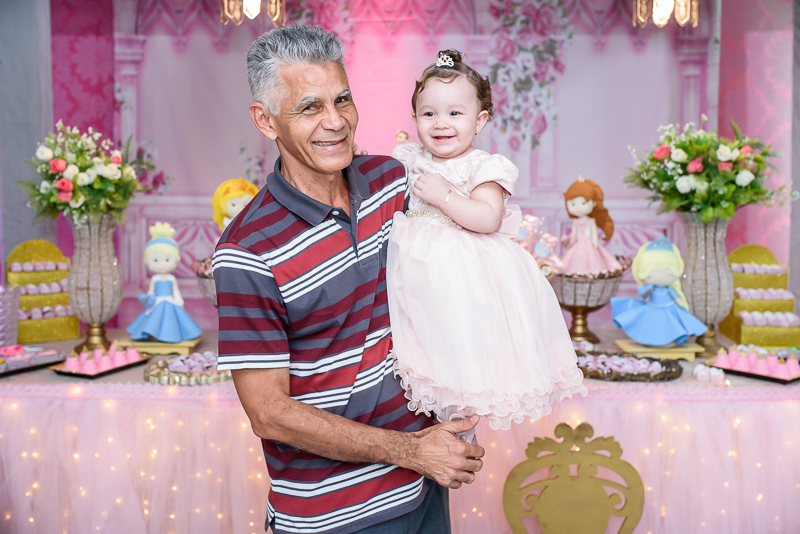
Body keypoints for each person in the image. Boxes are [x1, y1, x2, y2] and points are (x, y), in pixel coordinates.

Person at [212, 26, 483, 534]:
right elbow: (268, 412)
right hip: (332, 516)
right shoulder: (247, 250)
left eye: (342, 100)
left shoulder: (393, 183)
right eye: (309, 107)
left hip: (424, 490)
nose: (336, 122)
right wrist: (411, 450)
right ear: (265, 120)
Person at [386, 50, 586, 443]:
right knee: (415, 348)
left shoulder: (483, 167)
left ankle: (459, 434)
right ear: (415, 118)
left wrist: (445, 196)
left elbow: (487, 218)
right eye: (429, 113)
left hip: (460, 276)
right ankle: (423, 428)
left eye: (454, 113)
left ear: (479, 121)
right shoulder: (409, 157)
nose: (441, 123)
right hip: (410, 268)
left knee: (457, 350)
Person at [611, 237, 707, 346]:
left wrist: (681, 304)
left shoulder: (669, 289)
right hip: (653, 307)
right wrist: (645, 289)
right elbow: (643, 295)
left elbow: (676, 297)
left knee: (670, 326)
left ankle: (669, 340)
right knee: (652, 325)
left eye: (669, 274)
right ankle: (652, 341)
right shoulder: (650, 287)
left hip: (669, 308)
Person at [127, 222, 202, 343]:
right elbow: (151, 292)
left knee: (171, 319)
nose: (162, 264)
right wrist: (148, 299)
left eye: (167, 259)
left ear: (176, 259)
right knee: (154, 318)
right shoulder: (155, 279)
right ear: (147, 260)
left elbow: (175, 291)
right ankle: (155, 335)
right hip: (157, 302)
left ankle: (171, 335)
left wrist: (178, 299)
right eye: (155, 260)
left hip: (170, 301)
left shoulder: (171, 279)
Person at [561, 177, 623, 274]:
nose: (578, 208)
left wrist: (595, 241)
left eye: (583, 203)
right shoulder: (575, 222)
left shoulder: (591, 221)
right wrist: (570, 240)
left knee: (594, 261)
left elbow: (594, 233)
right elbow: (574, 234)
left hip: (590, 243)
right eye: (573, 204)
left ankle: (592, 275)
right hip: (579, 244)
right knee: (576, 261)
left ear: (593, 203)